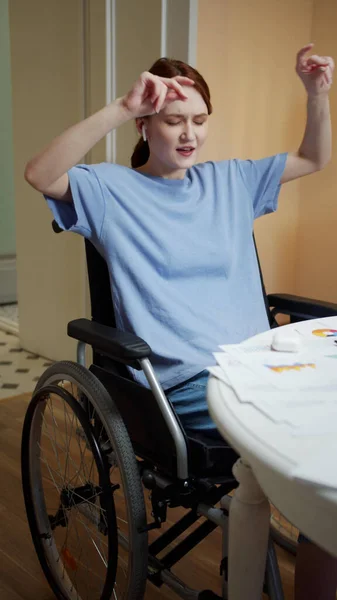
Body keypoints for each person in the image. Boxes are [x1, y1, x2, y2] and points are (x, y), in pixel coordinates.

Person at [25, 43, 336, 599]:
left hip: (263, 367)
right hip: (187, 383)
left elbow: (314, 158)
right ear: (146, 125)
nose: (189, 134)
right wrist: (121, 106)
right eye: (173, 121)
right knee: (315, 451)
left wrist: (317, 95)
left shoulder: (232, 181)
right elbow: (40, 173)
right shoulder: (110, 190)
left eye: (199, 120)